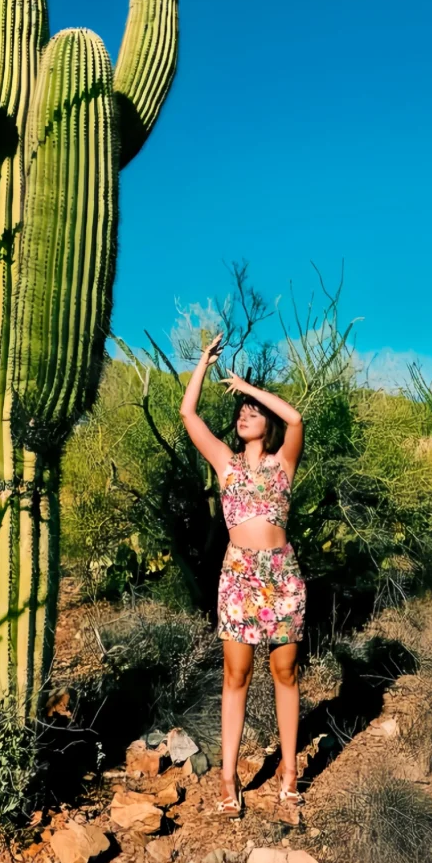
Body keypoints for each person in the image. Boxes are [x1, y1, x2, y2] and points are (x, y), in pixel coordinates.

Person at [179, 333, 306, 817]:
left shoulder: (283, 463)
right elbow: (190, 415)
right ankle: (229, 778)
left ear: (266, 423)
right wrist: (203, 365)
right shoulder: (226, 464)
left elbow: (295, 417)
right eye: (240, 412)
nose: (244, 415)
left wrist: (249, 387)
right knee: (236, 674)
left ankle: (289, 772)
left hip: (282, 575)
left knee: (284, 671)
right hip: (238, 575)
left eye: (252, 412)